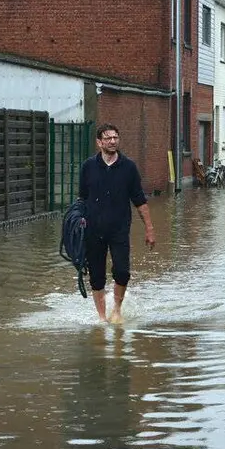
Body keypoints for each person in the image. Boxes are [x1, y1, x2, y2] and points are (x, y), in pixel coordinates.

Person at [78, 123, 155, 323]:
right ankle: (102, 317)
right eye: (108, 138)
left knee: (122, 271)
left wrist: (149, 229)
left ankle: (117, 310)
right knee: (96, 276)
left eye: (115, 138)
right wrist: (78, 223)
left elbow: (140, 201)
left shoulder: (129, 167)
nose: (112, 141)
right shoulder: (88, 167)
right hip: (93, 230)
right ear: (99, 142)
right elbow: (82, 199)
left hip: (119, 230)